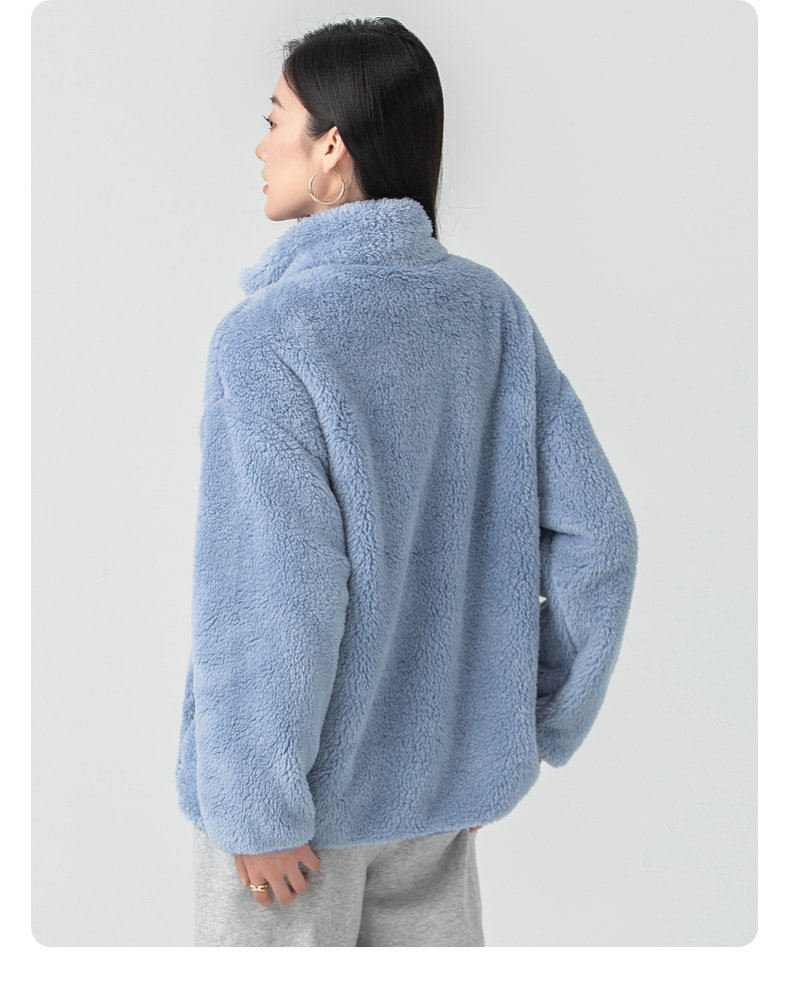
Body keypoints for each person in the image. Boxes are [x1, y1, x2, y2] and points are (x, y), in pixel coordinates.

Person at [175, 16, 638, 947]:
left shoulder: (270, 338)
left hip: (296, 822)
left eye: (275, 119)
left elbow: (274, 592)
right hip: (434, 804)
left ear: (331, 146)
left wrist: (258, 806)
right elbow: (602, 538)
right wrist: (514, 730)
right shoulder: (489, 313)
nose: (260, 146)